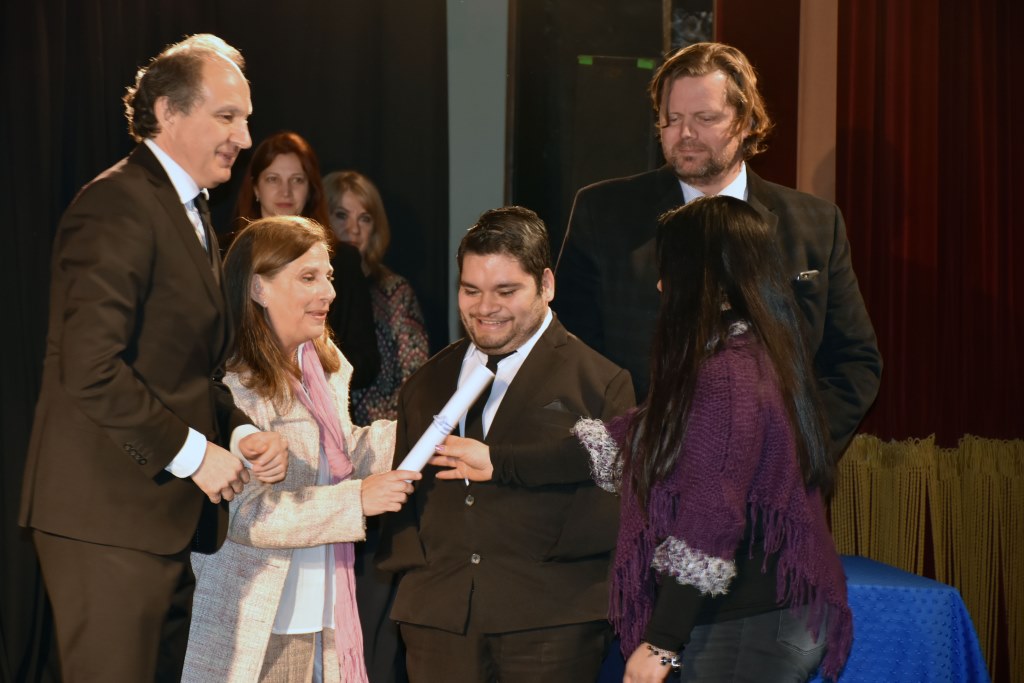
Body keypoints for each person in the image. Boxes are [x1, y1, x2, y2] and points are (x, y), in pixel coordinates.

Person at [18, 34, 289, 682]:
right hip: (106, 521)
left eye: (245, 118)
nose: (244, 137)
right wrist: (196, 455)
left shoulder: (189, 212)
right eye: (227, 116)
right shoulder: (116, 204)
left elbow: (186, 371)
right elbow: (91, 368)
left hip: (160, 523)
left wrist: (239, 433)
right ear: (168, 111)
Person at [556, 41, 881, 463]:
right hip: (640, 471)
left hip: (775, 479)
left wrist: (793, 453)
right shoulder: (604, 212)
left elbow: (854, 362)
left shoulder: (817, 223)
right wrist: (630, 452)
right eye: (672, 119)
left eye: (705, 118)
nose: (685, 134)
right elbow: (572, 352)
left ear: (746, 122)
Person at [574, 196, 852, 682]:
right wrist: (501, 459)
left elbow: (711, 516)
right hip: (761, 618)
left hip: (749, 623)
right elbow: (634, 436)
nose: (660, 285)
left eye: (669, 271)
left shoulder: (726, 374)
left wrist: (660, 643)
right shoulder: (750, 350)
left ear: (704, 280)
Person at [377, 206, 635, 682]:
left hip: (552, 622)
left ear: (546, 285)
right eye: (471, 290)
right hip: (437, 623)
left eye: (506, 291)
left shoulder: (601, 382)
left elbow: (614, 510)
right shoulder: (426, 381)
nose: (484, 307)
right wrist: (415, 578)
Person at [182, 215, 420, 682]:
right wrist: (357, 500)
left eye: (328, 276)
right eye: (308, 278)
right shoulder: (231, 383)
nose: (329, 292)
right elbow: (246, 514)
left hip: (320, 611)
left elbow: (340, 454)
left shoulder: (323, 366)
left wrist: (422, 431)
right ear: (258, 288)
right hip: (256, 622)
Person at [234, 132, 381, 391]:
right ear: (256, 188)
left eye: (297, 180)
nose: (285, 191)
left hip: (323, 400)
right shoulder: (228, 254)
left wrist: (306, 370)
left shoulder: (342, 260)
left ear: (311, 189)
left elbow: (366, 361)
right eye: (273, 179)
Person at [323, 170, 430, 424]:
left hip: (383, 429)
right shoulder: (307, 290)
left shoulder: (394, 291)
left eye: (365, 219)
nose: (353, 229)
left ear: (376, 228)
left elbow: (415, 377)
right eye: (341, 215)